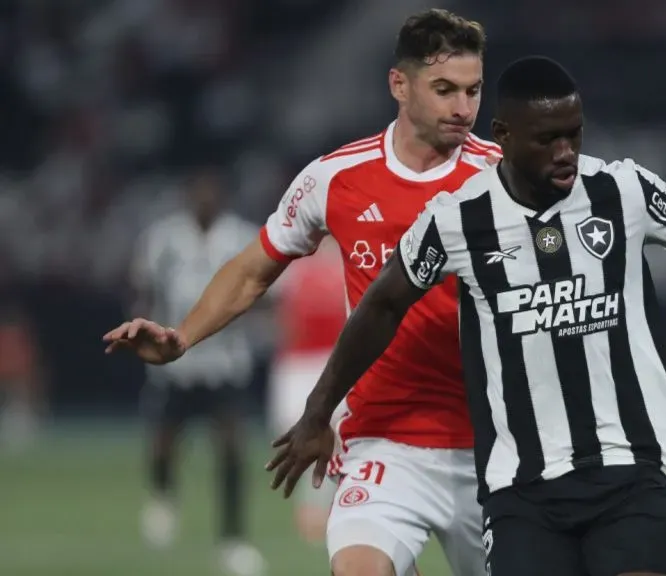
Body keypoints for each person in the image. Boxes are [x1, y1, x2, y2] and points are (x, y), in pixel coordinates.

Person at [267, 56, 666, 576]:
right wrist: (319, 413)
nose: (566, 152)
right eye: (548, 139)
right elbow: (382, 305)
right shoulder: (456, 220)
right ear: (505, 138)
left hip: (632, 469)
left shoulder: (622, 191)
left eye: (574, 133)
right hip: (520, 487)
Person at [104, 9, 498, 576]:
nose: (463, 108)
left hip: (493, 447)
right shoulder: (335, 178)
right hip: (382, 445)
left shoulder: (504, 180)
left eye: (473, 90)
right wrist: (181, 336)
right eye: (444, 90)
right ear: (399, 85)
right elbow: (252, 270)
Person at [129, 167, 267, 576]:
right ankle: (163, 494)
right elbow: (145, 291)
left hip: (225, 362)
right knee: (164, 441)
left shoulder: (240, 236)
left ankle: (232, 539)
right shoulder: (163, 239)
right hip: (176, 362)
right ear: (188, 194)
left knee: (231, 448)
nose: (206, 197)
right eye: (199, 190)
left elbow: (259, 289)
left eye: (213, 190)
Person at [266, 236, 347, 543]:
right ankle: (314, 502)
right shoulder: (293, 263)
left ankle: (320, 505)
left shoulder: (346, 260)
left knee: (337, 435)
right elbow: (277, 311)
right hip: (296, 363)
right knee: (297, 435)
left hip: (331, 360)